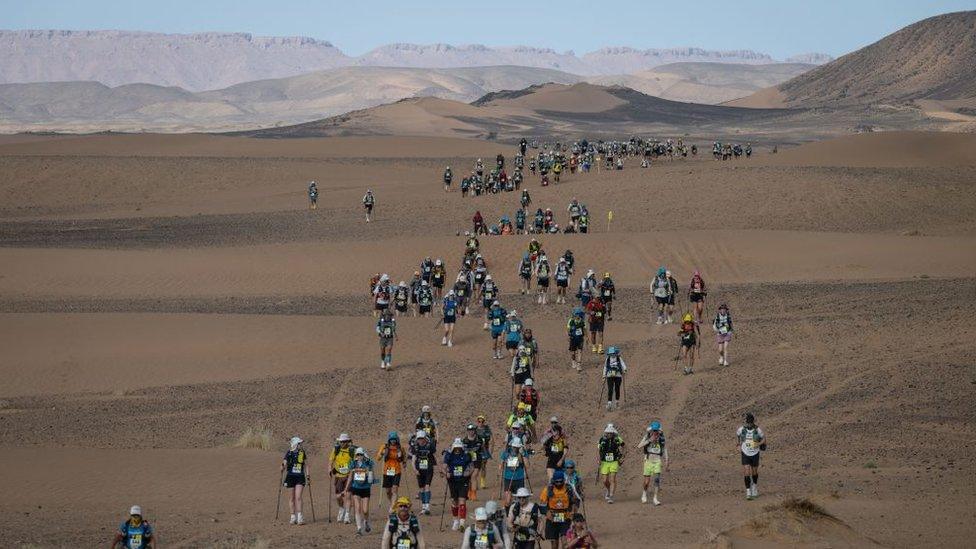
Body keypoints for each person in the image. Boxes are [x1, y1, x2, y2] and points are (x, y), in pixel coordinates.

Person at [540, 471, 579, 548]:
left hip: (565, 517)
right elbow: (542, 505)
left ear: (563, 480)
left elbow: (575, 502)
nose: (558, 483)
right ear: (553, 481)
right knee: (554, 544)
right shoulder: (548, 489)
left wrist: (573, 512)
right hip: (552, 518)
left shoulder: (569, 489)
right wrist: (546, 512)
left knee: (565, 542)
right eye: (556, 482)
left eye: (560, 481)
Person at [443, 438, 475, 531]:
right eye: (456, 448)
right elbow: (443, 467)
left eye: (459, 448)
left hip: (463, 481)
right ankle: (455, 520)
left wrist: (468, 473)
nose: (457, 450)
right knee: (454, 501)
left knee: (462, 500)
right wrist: (446, 473)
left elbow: (472, 466)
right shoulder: (449, 455)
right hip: (452, 481)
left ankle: (462, 522)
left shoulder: (466, 455)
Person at [344, 447, 375, 535]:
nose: (359, 456)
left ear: (363, 455)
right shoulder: (353, 464)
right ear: (356, 456)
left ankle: (366, 522)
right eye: (357, 454)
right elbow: (350, 477)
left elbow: (371, 477)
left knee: (365, 510)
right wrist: (346, 489)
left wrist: (369, 473)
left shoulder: (367, 464)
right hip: (356, 488)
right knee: (357, 508)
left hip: (365, 488)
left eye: (361, 454)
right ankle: (359, 528)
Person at [637, 422, 669, 505]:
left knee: (657, 479)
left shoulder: (662, 438)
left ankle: (655, 498)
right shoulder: (647, 436)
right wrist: (649, 441)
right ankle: (644, 493)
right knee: (647, 482)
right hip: (648, 460)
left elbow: (664, 449)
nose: (655, 432)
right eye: (654, 430)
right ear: (651, 430)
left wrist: (667, 460)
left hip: (657, 460)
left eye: (656, 430)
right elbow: (639, 446)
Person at [738, 413, 766, 500]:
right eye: (748, 422)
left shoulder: (758, 430)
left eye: (750, 422)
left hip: (755, 453)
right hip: (745, 453)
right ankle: (748, 491)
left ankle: (754, 486)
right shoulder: (741, 429)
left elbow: (764, 439)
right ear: (746, 422)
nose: (749, 424)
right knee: (746, 471)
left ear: (753, 422)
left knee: (754, 472)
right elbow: (738, 437)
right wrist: (738, 445)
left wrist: (758, 443)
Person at [330, 433, 357, 523]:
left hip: (348, 476)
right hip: (338, 476)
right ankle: (341, 508)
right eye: (341, 442)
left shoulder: (352, 450)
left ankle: (347, 516)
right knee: (338, 496)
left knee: (348, 496)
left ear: (348, 442)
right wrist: (329, 468)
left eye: (344, 441)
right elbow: (331, 460)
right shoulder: (336, 449)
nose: (342, 443)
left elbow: (355, 462)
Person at [281, 436, 308, 525]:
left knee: (298, 497)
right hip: (290, 477)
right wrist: (282, 467)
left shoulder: (302, 453)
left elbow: (306, 465)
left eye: (300, 443)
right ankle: (293, 517)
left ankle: (300, 517)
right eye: (299, 443)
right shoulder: (288, 453)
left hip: (300, 476)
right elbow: (284, 463)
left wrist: (308, 475)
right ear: (295, 444)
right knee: (291, 498)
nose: (300, 445)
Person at [409, 430, 437, 515]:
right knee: (421, 489)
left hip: (428, 469)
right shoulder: (415, 447)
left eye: (422, 438)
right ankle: (423, 507)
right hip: (419, 470)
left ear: (425, 438)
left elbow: (435, 456)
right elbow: (413, 460)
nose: (420, 440)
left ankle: (427, 506)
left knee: (427, 486)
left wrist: (440, 468)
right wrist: (415, 470)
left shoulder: (430, 446)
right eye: (419, 439)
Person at [377, 432, 407, 511]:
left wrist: (404, 462)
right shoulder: (384, 447)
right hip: (387, 471)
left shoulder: (400, 448)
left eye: (394, 439)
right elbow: (378, 457)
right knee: (388, 491)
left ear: (397, 440)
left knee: (395, 489)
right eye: (391, 440)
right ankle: (392, 503)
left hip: (397, 471)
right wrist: (382, 454)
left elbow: (404, 457)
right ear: (389, 440)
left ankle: (393, 507)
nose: (393, 441)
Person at [597, 424, 624, 503]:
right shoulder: (602, 439)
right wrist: (598, 459)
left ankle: (611, 496)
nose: (609, 434)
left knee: (612, 479)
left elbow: (623, 446)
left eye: (610, 433)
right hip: (605, 462)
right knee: (605, 480)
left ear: (613, 433)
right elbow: (598, 449)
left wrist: (622, 456)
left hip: (614, 461)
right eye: (607, 433)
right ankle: (608, 490)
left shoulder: (617, 439)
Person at [500, 438, 528, 507]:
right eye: (514, 447)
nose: (515, 448)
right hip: (508, 479)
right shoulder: (506, 453)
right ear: (511, 446)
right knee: (508, 500)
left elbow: (527, 465)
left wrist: (523, 455)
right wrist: (503, 464)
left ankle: (515, 515)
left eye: (517, 447)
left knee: (519, 502)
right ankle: (508, 515)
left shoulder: (523, 453)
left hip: (519, 479)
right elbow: (501, 465)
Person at [461, 424, 487, 500]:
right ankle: (469, 492)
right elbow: (463, 450)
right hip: (468, 461)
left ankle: (474, 495)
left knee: (474, 476)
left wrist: (484, 456)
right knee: (468, 477)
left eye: (472, 430)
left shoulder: (479, 439)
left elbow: (482, 449)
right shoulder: (464, 440)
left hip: (477, 460)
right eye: (469, 430)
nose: (470, 432)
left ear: (474, 431)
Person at [602, 346, 626, 410]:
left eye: (613, 353)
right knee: (610, 389)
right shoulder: (608, 359)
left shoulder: (619, 358)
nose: (612, 355)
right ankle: (609, 403)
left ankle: (617, 402)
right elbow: (605, 367)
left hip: (618, 375)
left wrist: (625, 369)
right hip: (609, 375)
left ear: (615, 353)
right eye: (611, 354)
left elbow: (623, 364)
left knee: (617, 389)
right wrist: (604, 375)